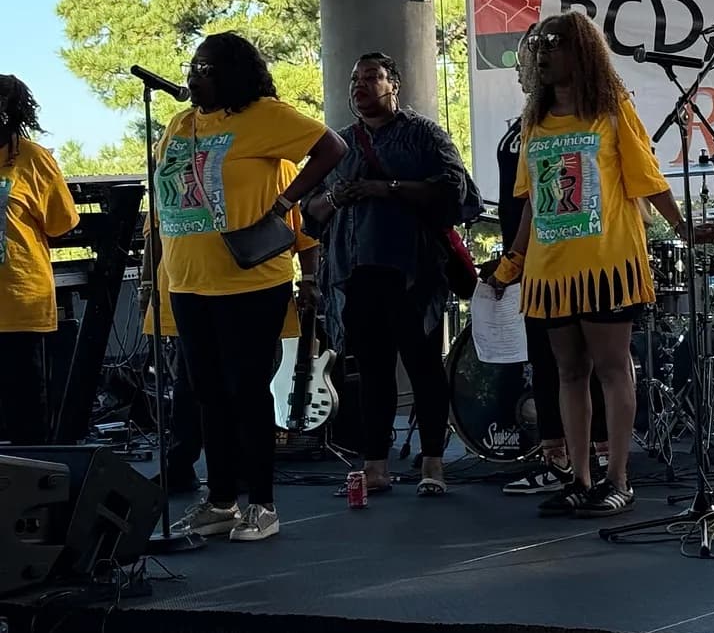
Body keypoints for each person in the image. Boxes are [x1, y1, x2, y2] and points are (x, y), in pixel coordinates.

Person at [488, 12, 714, 518]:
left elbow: (647, 176)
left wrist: (683, 228)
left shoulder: (613, 111)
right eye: (540, 47)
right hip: (552, 272)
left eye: (555, 46)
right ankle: (579, 477)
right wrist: (513, 260)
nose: (544, 55)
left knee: (614, 368)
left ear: (582, 54)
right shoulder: (534, 121)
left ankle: (618, 478)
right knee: (569, 371)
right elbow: (532, 201)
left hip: (605, 266)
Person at [159, 33, 346, 543]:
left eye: (209, 68)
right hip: (188, 280)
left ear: (235, 74)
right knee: (207, 395)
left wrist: (286, 202)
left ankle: (262, 504)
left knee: (246, 392)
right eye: (193, 67)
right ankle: (219, 501)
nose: (196, 76)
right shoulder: (178, 124)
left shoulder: (264, 115)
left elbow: (332, 148)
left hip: (248, 281)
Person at [304, 52, 481, 498]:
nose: (360, 85)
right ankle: (375, 465)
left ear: (393, 84)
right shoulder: (338, 144)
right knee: (372, 370)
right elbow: (311, 215)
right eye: (354, 78)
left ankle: (433, 463)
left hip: (414, 271)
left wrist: (388, 188)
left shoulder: (424, 134)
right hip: (356, 273)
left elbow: (454, 189)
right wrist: (338, 198)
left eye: (372, 77)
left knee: (424, 367)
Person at [493, 28, 610, 500]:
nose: (534, 63)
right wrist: (511, 258)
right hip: (536, 258)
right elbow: (520, 202)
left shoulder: (591, 117)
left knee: (593, 360)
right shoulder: (525, 124)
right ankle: (556, 456)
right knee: (548, 361)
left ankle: (598, 458)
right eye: (529, 57)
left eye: (543, 52)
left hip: (581, 254)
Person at [141, 184, 317, 496]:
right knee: (191, 387)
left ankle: (245, 473)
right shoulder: (174, 154)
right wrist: (146, 282)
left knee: (244, 386)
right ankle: (184, 467)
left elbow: (301, 230)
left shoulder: (270, 166)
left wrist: (308, 278)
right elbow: (155, 230)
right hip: (186, 291)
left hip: (246, 290)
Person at [0, 75, 80, 444]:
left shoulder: (34, 160)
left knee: (25, 414)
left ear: (9, 113)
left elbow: (61, 223)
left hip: (18, 304)